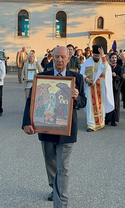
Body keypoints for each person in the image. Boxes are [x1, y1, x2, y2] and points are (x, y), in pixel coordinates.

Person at [22, 46, 86, 208]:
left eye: (63, 57)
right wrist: (27, 122)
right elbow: (31, 100)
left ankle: (60, 202)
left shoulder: (76, 78)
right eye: (57, 57)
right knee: (50, 162)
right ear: (52, 57)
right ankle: (54, 186)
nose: (60, 60)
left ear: (68, 58)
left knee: (62, 167)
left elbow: (83, 102)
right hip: (46, 127)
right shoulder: (42, 77)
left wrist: (77, 97)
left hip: (67, 129)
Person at [80, 45, 114, 132]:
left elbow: (106, 69)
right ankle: (91, 124)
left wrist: (103, 56)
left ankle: (100, 122)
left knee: (101, 104)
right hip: (90, 86)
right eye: (95, 55)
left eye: (98, 55)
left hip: (101, 86)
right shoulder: (87, 62)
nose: (96, 57)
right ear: (92, 54)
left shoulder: (103, 61)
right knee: (90, 105)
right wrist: (86, 79)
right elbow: (81, 73)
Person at [106, 52, 123, 126]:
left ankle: (113, 120)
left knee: (115, 104)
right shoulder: (107, 67)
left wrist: (116, 76)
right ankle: (107, 118)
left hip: (116, 87)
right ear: (110, 59)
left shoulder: (119, 67)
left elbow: (121, 78)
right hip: (108, 87)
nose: (114, 59)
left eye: (115, 58)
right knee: (108, 102)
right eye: (112, 58)